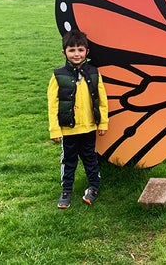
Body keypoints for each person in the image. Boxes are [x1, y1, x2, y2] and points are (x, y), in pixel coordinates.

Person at [47, 29, 109, 209]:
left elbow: (102, 100)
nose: (76, 54)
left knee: (90, 158)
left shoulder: (94, 73)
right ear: (64, 52)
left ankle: (94, 187)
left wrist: (102, 122)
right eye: (72, 50)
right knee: (69, 160)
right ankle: (66, 190)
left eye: (80, 50)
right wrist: (55, 129)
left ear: (86, 52)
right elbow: (53, 104)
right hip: (68, 129)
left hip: (89, 128)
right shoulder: (58, 75)